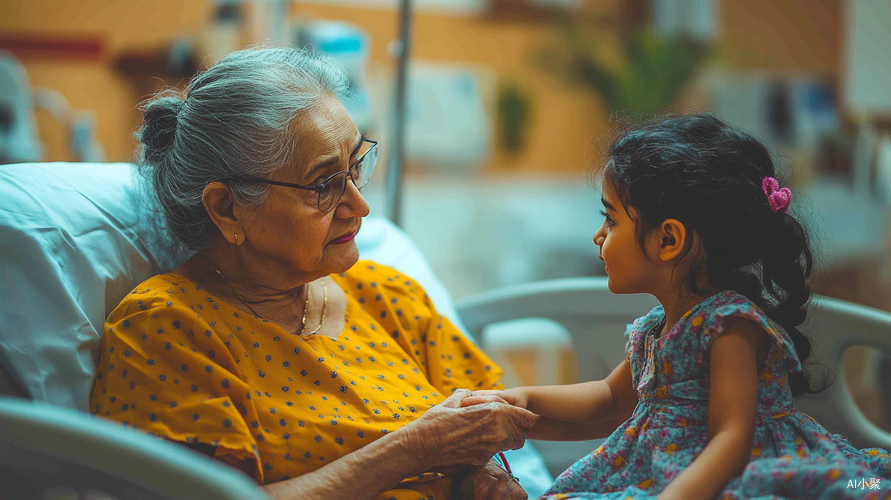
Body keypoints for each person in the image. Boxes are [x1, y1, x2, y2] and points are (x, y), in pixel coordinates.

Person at [88, 47, 538, 500]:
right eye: (323, 184)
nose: (359, 206)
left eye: (355, 167)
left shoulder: (388, 296)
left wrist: (491, 476)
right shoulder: (166, 330)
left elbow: (490, 426)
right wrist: (416, 447)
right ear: (227, 209)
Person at [462, 114, 891, 499]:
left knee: (861, 486)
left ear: (669, 239)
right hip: (666, 469)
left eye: (611, 220)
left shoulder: (728, 326)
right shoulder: (656, 328)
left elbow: (732, 438)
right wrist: (518, 401)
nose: (598, 236)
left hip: (733, 474)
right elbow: (610, 400)